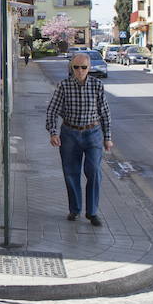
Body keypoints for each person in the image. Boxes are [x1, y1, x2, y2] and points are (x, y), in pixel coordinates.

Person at [46, 53, 113, 227]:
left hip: (93, 133)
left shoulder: (97, 86)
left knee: (94, 171)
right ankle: (74, 210)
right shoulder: (63, 86)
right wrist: (53, 133)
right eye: (76, 67)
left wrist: (107, 138)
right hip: (69, 134)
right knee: (71, 173)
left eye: (83, 67)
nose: (80, 71)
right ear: (71, 68)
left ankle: (92, 212)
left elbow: (105, 112)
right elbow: (52, 110)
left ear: (89, 68)